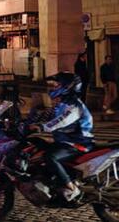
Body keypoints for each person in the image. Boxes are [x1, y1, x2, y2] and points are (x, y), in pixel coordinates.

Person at [29, 73, 93, 202]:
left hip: (78, 143)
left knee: (50, 156)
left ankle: (71, 187)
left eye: (57, 85)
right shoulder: (61, 103)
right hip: (64, 141)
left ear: (67, 87)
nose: (53, 88)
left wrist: (42, 127)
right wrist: (25, 122)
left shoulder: (74, 105)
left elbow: (61, 121)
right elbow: (46, 117)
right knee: (36, 146)